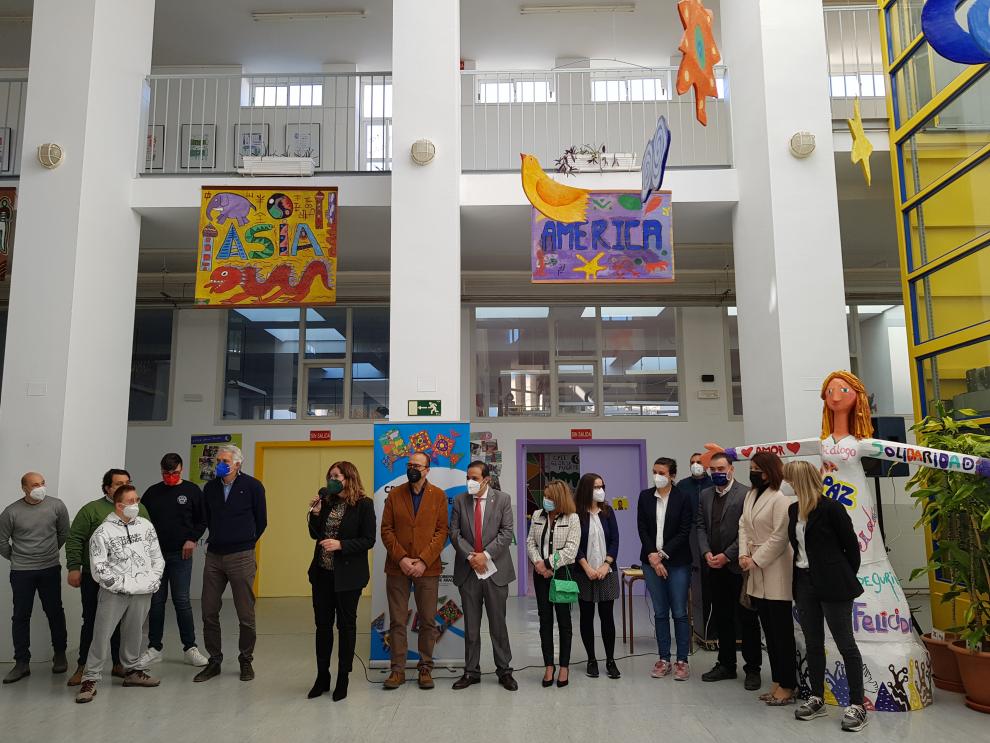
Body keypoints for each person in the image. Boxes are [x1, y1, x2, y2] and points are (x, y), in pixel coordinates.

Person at [786, 461, 868, 733]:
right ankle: (817, 697)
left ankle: (857, 704)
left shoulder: (832, 508)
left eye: (790, 479)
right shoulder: (793, 510)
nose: (786, 484)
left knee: (846, 643)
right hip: (804, 582)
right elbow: (798, 547)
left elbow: (851, 549)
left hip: (834, 584)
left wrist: (840, 576)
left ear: (799, 480)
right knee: (813, 643)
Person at [75, 485, 165, 703]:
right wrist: (120, 585)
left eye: (137, 499)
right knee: (101, 634)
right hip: (114, 593)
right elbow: (98, 566)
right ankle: (90, 678)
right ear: (118, 505)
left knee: (134, 632)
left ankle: (132, 671)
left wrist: (153, 580)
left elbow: (156, 556)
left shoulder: (146, 526)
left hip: (143, 591)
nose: (136, 504)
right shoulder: (103, 532)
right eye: (131, 501)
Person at [64, 468, 149, 686]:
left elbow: (147, 540)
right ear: (107, 488)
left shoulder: (139, 510)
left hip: (127, 578)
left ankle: (119, 664)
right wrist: (74, 567)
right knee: (92, 620)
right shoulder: (91, 510)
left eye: (127, 482)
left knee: (124, 622)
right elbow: (75, 538)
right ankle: (84, 667)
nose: (124, 486)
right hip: (94, 577)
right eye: (119, 483)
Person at [195, 444, 267, 683]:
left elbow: (261, 521)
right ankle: (214, 660)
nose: (220, 465)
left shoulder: (253, 486)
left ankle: (246, 660)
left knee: (245, 613)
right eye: (218, 461)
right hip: (214, 556)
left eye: (225, 461)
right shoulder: (210, 488)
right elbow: (207, 518)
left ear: (237, 464)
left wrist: (246, 541)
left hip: (241, 556)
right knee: (208, 611)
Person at [306, 460, 376, 702]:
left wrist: (341, 545)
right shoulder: (327, 502)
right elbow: (315, 535)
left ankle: (343, 678)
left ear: (349, 478)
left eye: (336, 476)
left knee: (346, 627)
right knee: (322, 626)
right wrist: (315, 513)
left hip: (349, 577)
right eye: (330, 476)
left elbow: (369, 540)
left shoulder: (364, 504)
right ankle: (322, 676)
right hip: (322, 574)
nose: (331, 480)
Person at [380, 451, 449, 691]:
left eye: (417, 466)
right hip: (397, 567)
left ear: (427, 470)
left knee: (428, 620)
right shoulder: (395, 494)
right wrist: (401, 559)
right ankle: (397, 670)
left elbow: (442, 532)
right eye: (409, 465)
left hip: (427, 569)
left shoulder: (438, 496)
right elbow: (386, 530)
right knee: (397, 620)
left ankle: (425, 668)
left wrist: (422, 561)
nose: (412, 469)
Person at [449, 461, 517, 691]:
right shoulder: (460, 500)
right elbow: (454, 533)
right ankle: (471, 671)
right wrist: (472, 557)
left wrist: (485, 556)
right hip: (469, 572)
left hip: (495, 571)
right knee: (471, 626)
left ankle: (504, 671)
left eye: (475, 478)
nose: (470, 482)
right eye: (468, 477)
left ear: (487, 479)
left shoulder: (503, 499)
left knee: (498, 625)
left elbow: (506, 533)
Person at [696, 453, 762, 690]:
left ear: (731, 469)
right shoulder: (705, 494)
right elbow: (700, 526)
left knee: (747, 619)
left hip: (738, 566)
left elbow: (748, 531)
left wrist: (727, 555)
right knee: (722, 617)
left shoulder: (745, 494)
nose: (717, 473)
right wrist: (706, 552)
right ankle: (726, 664)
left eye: (721, 468)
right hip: (714, 566)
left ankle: (752, 669)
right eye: (713, 469)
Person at [138, 453, 208, 668]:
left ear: (181, 469)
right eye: (166, 473)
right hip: (155, 556)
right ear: (161, 471)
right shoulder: (152, 492)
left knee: (182, 600)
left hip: (181, 555)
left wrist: (192, 539)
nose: (170, 476)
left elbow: (203, 519)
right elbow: (142, 521)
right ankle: (154, 648)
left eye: (174, 473)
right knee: (156, 602)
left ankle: (190, 648)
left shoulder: (192, 491)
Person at [738, 451, 797, 706]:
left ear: (769, 472)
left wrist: (756, 559)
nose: (753, 473)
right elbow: (743, 525)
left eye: (757, 469)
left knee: (781, 633)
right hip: (754, 567)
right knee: (769, 633)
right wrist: (743, 554)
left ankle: (788, 684)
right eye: (751, 468)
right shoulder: (750, 495)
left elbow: (780, 537)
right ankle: (777, 681)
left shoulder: (780, 499)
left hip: (775, 569)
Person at [0, 471, 70, 683]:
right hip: (22, 571)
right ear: (24, 488)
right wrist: (18, 558)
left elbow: (63, 533)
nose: (40, 487)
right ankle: (22, 662)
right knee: (21, 616)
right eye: (35, 485)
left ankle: (60, 654)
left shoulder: (57, 506)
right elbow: (2, 541)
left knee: (55, 611)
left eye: (42, 483)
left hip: (49, 568)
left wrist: (48, 553)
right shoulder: (11, 512)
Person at [637, 457, 694, 681]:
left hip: (677, 562)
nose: (657, 476)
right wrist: (653, 556)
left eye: (661, 473)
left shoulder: (683, 497)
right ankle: (663, 659)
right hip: (650, 561)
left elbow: (684, 530)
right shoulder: (645, 496)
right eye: (655, 472)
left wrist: (661, 555)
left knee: (679, 611)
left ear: (672, 475)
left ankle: (682, 661)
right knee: (660, 612)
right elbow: (642, 528)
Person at [525, 480, 580, 688]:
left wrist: (548, 564)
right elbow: (530, 542)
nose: (545, 500)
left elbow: (571, 550)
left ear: (559, 498)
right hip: (541, 575)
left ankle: (564, 666)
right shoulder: (538, 515)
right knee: (545, 620)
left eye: (549, 497)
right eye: (545, 496)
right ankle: (549, 665)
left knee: (564, 621)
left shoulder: (572, 518)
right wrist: (539, 564)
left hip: (562, 575)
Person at [573, 472, 620, 680]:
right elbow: (574, 544)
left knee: (607, 617)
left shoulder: (608, 512)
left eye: (602, 487)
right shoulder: (575, 514)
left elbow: (615, 540)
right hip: (584, 573)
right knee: (586, 617)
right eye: (596, 487)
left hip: (606, 572)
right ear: (586, 490)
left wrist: (605, 565)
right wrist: (587, 568)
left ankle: (610, 660)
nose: (600, 491)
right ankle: (591, 659)